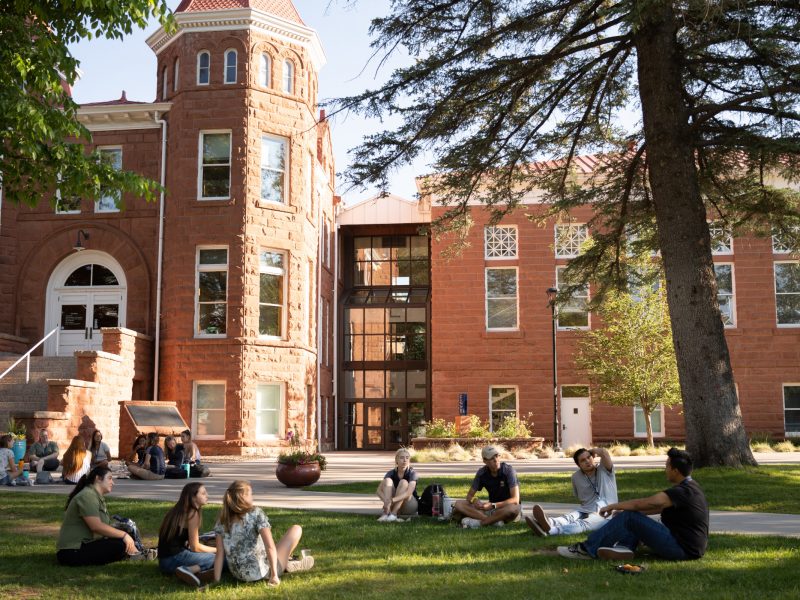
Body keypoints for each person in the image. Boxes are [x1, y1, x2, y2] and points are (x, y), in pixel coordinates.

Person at [558, 447, 709, 561]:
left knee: (630, 516)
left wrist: (614, 506)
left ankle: (586, 549)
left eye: (667, 466)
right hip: (687, 546)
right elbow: (656, 507)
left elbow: (647, 503)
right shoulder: (690, 487)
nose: (665, 469)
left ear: (675, 471)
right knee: (632, 516)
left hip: (682, 549)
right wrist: (624, 512)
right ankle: (625, 547)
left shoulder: (682, 492)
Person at [212, 480, 314, 587]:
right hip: (263, 573)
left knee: (277, 549)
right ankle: (288, 564)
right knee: (296, 529)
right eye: (251, 494)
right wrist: (274, 575)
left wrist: (216, 581)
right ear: (243, 496)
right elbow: (269, 546)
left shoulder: (222, 520)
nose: (252, 497)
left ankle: (288, 563)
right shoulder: (256, 513)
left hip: (239, 575)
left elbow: (220, 553)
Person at [56, 465, 139, 566]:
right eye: (109, 478)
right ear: (98, 479)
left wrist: (124, 532)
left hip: (82, 546)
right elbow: (96, 526)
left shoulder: (94, 495)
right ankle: (135, 555)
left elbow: (104, 527)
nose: (113, 482)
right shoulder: (87, 495)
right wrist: (124, 535)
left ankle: (136, 553)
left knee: (122, 539)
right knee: (120, 545)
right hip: (72, 552)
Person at [527, 446, 617, 537]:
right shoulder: (576, 477)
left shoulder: (604, 469)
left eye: (589, 457)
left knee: (584, 523)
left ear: (593, 457)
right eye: (582, 460)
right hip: (586, 508)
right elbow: (580, 498)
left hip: (607, 511)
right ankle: (549, 522)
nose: (587, 461)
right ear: (578, 465)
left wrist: (592, 451)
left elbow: (604, 452)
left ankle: (553, 531)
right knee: (569, 517)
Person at [158, 482, 219, 588]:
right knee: (217, 558)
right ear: (193, 497)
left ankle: (198, 574)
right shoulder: (192, 513)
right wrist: (218, 550)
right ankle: (187, 570)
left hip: (164, 561)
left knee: (212, 556)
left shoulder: (176, 510)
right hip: (174, 559)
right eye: (203, 493)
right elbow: (195, 547)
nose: (207, 495)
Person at [451, 445, 521, 528]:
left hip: (505, 508)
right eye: (491, 458)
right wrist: (474, 500)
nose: (496, 460)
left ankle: (480, 523)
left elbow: (515, 500)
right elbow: (469, 496)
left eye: (497, 456)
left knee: (513, 509)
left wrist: (493, 505)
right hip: (491, 509)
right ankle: (494, 522)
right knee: (458, 504)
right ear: (484, 461)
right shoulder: (482, 473)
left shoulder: (509, 471)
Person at [376, 448, 418, 522]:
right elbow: (378, 491)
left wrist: (392, 500)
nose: (405, 460)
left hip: (409, 505)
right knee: (387, 481)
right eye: (402, 457)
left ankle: (393, 514)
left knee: (404, 482)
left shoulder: (412, 473)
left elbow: (408, 493)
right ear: (396, 460)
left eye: (407, 458)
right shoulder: (391, 473)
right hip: (393, 504)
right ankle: (386, 513)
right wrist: (386, 502)